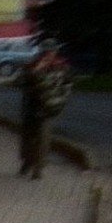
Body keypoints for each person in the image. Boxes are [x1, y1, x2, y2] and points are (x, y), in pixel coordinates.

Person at [17, 45, 70, 179]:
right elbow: (20, 82)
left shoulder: (60, 67)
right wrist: (35, 71)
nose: (49, 55)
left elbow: (67, 84)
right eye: (46, 52)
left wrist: (60, 100)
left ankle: (38, 169)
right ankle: (27, 162)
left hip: (47, 108)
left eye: (51, 52)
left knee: (43, 140)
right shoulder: (32, 65)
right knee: (28, 138)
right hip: (32, 106)